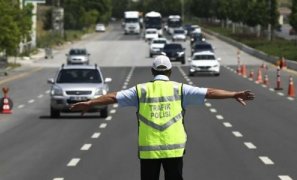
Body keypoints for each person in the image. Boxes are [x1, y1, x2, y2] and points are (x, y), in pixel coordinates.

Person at [70, 55, 255, 180]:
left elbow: (113, 96)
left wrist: (90, 103)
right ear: (170, 71)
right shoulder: (180, 89)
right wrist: (233, 94)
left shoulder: (140, 90)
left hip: (148, 150)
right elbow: (210, 92)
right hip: (174, 150)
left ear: (152, 71)